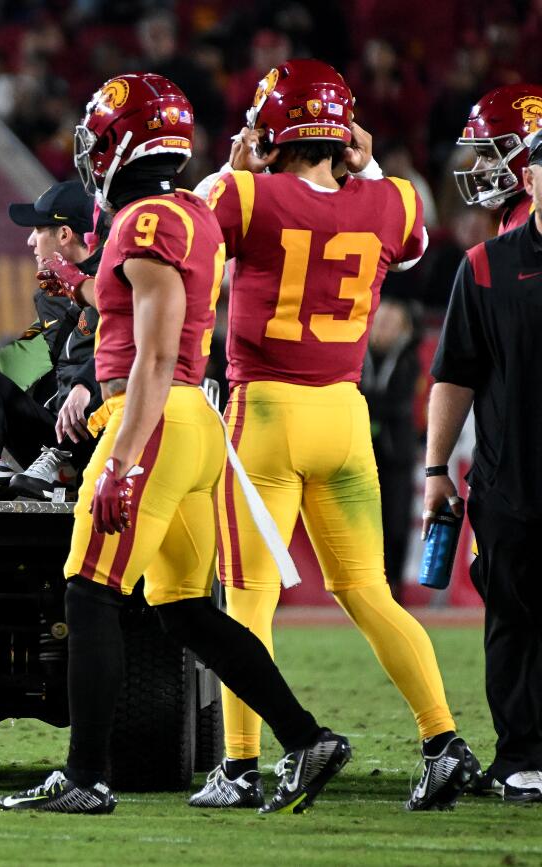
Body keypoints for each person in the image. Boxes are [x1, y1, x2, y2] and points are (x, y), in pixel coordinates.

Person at [0, 73, 348, 816]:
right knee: (183, 605)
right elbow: (148, 308)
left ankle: (86, 775)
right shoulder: (186, 209)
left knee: (88, 589)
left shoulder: (142, 222)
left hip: (153, 417)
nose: (89, 152)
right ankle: (306, 737)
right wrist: (83, 288)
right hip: (192, 424)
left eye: (96, 137)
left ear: (119, 143)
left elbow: (154, 353)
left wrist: (120, 460)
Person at [190, 59, 477, 812]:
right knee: (371, 594)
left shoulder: (243, 192)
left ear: (272, 129)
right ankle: (442, 740)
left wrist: (234, 161)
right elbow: (412, 244)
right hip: (345, 416)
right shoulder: (391, 200)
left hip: (269, 415)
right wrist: (370, 158)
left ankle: (241, 764)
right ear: (342, 134)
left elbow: (176, 231)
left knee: (247, 599)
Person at [424, 135, 542, 804]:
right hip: (510, 479)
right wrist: (438, 467)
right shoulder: (486, 265)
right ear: (530, 177)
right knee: (513, 622)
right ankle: (522, 755)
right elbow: (455, 373)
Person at [0, 179, 100, 501]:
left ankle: (64, 467)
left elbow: (136, 349)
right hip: (57, 436)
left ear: (64, 235)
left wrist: (86, 385)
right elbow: (17, 363)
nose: (29, 241)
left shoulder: (120, 279)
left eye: (37, 230)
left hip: (107, 430)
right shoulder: (52, 295)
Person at [360, 298, 422, 600]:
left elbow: (399, 403)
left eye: (390, 323)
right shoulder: (359, 355)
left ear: (403, 330)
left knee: (396, 522)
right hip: (361, 454)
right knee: (364, 524)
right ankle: (366, 587)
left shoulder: (408, 360)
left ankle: (394, 585)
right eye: (379, 321)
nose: (383, 328)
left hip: (396, 455)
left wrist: (367, 407)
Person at [454, 84, 542, 235]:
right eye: (478, 155)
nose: (476, 170)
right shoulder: (520, 213)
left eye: (489, 155)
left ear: (530, 151)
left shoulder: (533, 221)